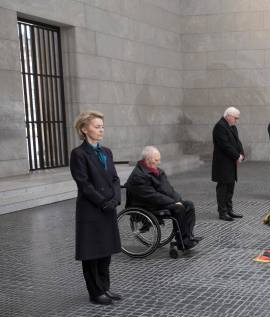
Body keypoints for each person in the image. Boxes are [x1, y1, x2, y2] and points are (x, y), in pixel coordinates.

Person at [69, 110, 122, 305]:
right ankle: (95, 292)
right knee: (92, 252)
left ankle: (105, 288)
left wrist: (115, 198)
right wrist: (103, 201)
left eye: (102, 127)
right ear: (84, 129)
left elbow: (115, 178)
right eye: (97, 127)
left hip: (108, 207)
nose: (101, 130)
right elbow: (84, 184)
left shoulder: (106, 151)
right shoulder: (78, 154)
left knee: (105, 250)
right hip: (91, 210)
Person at [124, 146, 201, 250]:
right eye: (156, 160)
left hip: (157, 200)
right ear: (147, 159)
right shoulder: (139, 176)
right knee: (178, 208)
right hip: (145, 204)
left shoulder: (157, 171)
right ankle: (183, 241)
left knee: (188, 205)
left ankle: (188, 236)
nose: (159, 162)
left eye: (159, 159)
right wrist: (174, 203)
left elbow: (168, 189)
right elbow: (152, 196)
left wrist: (178, 199)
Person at [212, 106, 245, 221]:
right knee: (223, 188)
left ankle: (229, 210)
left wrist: (241, 154)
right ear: (228, 116)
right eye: (235, 118)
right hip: (222, 164)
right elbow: (225, 145)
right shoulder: (219, 127)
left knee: (230, 187)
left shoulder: (232, 127)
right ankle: (222, 212)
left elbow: (237, 142)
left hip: (231, 163)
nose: (236, 120)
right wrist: (237, 156)